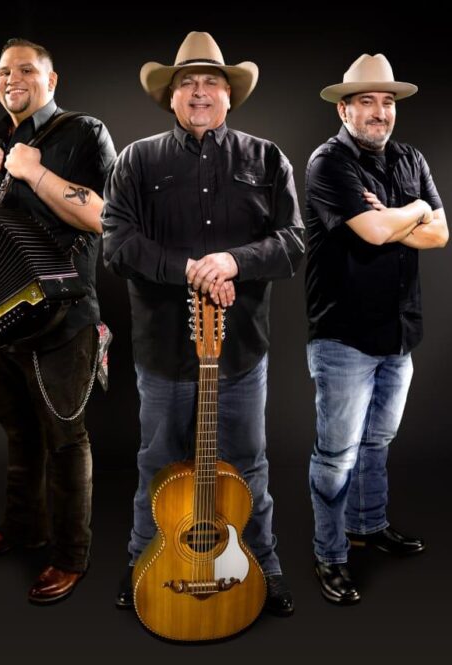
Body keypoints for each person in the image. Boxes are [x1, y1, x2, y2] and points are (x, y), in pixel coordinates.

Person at [102, 32, 304, 617]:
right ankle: (145, 562)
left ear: (229, 95)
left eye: (210, 81)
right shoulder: (136, 161)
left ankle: (265, 565)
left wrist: (235, 261)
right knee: (158, 464)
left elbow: (294, 242)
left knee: (249, 465)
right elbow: (116, 244)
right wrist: (189, 269)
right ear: (170, 98)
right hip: (162, 350)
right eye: (186, 83)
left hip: (240, 350)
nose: (199, 92)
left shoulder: (267, 159)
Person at [0, 38, 116, 604]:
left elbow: (105, 219)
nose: (11, 79)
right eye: (2, 71)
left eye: (24, 70)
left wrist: (34, 173)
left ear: (51, 78)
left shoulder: (82, 132)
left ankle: (70, 556)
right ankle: (23, 529)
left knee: (66, 439)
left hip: (64, 320)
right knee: (19, 432)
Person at [304, 53, 449, 605]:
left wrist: (399, 214)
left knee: (377, 441)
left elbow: (442, 234)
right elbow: (369, 233)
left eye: (387, 103)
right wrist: (413, 211)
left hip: (398, 329)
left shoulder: (410, 157)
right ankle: (331, 555)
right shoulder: (328, 164)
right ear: (344, 109)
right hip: (343, 334)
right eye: (367, 101)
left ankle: (368, 525)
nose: (379, 112)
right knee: (336, 453)